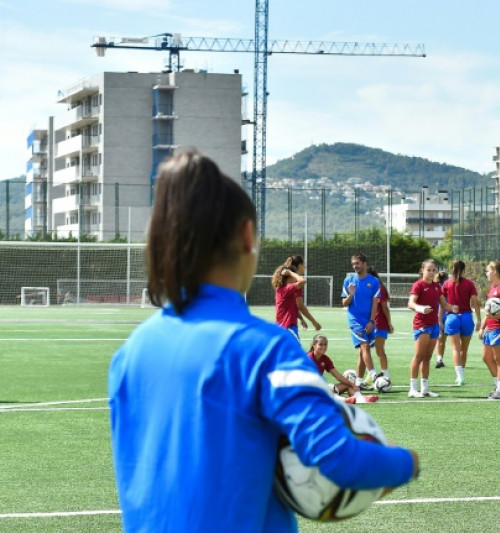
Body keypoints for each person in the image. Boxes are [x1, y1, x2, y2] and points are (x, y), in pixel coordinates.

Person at [108, 150, 418, 532]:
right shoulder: (266, 349)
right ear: (247, 236)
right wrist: (407, 462)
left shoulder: (130, 353)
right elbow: (340, 460)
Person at [407, 259, 455, 398]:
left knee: (427, 357)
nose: (431, 272)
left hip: (434, 325)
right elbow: (411, 303)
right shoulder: (418, 285)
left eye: (434, 270)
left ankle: (425, 389)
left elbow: (444, 304)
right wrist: (420, 308)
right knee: (418, 356)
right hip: (422, 325)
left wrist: (453, 307)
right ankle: (412, 389)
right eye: (429, 270)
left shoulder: (436, 286)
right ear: (422, 270)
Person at [342, 253, 380, 390]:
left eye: (357, 263)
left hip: (368, 321)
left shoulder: (374, 282)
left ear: (364, 263)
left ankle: (358, 381)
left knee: (362, 352)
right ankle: (374, 375)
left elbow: (375, 303)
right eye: (353, 264)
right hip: (355, 320)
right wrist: (351, 293)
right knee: (364, 346)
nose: (355, 266)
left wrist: (371, 321)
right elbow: (344, 303)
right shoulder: (349, 281)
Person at [441, 260, 481, 386]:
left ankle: (459, 376)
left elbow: (442, 303)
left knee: (455, 349)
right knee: (464, 348)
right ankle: (462, 374)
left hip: (452, 317)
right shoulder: (469, 284)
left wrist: (439, 319)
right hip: (466, 317)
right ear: (464, 270)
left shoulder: (447, 283)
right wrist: (479, 319)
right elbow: (475, 302)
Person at [306, 334, 378, 404]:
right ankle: (345, 400)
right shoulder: (308, 358)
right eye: (320, 344)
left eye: (325, 344)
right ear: (314, 345)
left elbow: (338, 376)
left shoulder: (325, 359)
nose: (323, 347)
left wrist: (353, 385)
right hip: (306, 391)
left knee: (348, 384)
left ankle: (360, 398)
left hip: (320, 389)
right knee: (327, 390)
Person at [479, 261, 500, 400]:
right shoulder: (493, 289)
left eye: (488, 271)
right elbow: (488, 311)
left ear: (495, 272)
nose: (486, 274)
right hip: (491, 328)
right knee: (486, 358)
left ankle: (499, 390)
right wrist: (483, 327)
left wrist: (494, 316)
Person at [271, 255, 321, 339]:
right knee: (296, 351)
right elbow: (300, 305)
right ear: (300, 265)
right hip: (288, 326)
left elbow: (293, 305)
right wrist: (314, 322)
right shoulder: (290, 287)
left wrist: (301, 318)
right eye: (304, 264)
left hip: (281, 326)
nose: (305, 267)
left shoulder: (281, 288)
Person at [366, 267, 392, 380]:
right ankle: (371, 376)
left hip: (379, 323)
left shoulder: (379, 288)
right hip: (370, 323)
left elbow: (385, 308)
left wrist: (389, 323)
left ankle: (385, 376)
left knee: (379, 350)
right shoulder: (369, 287)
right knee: (367, 350)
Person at [434, 271, 450, 369]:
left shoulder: (435, 287)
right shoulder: (448, 287)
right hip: (448, 315)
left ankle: (439, 359)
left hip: (437, 315)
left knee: (438, 340)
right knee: (443, 340)